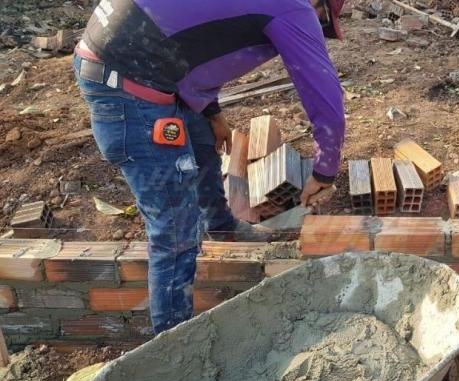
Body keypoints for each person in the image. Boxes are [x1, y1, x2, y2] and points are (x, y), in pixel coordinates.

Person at [73, 0, 346, 333]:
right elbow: (322, 91)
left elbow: (197, 47)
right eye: (323, 19)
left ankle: (220, 228)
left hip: (135, 59)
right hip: (127, 84)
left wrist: (211, 113)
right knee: (174, 230)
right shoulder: (295, 7)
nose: (318, 24)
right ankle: (173, 346)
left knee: (201, 140)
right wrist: (324, 171)